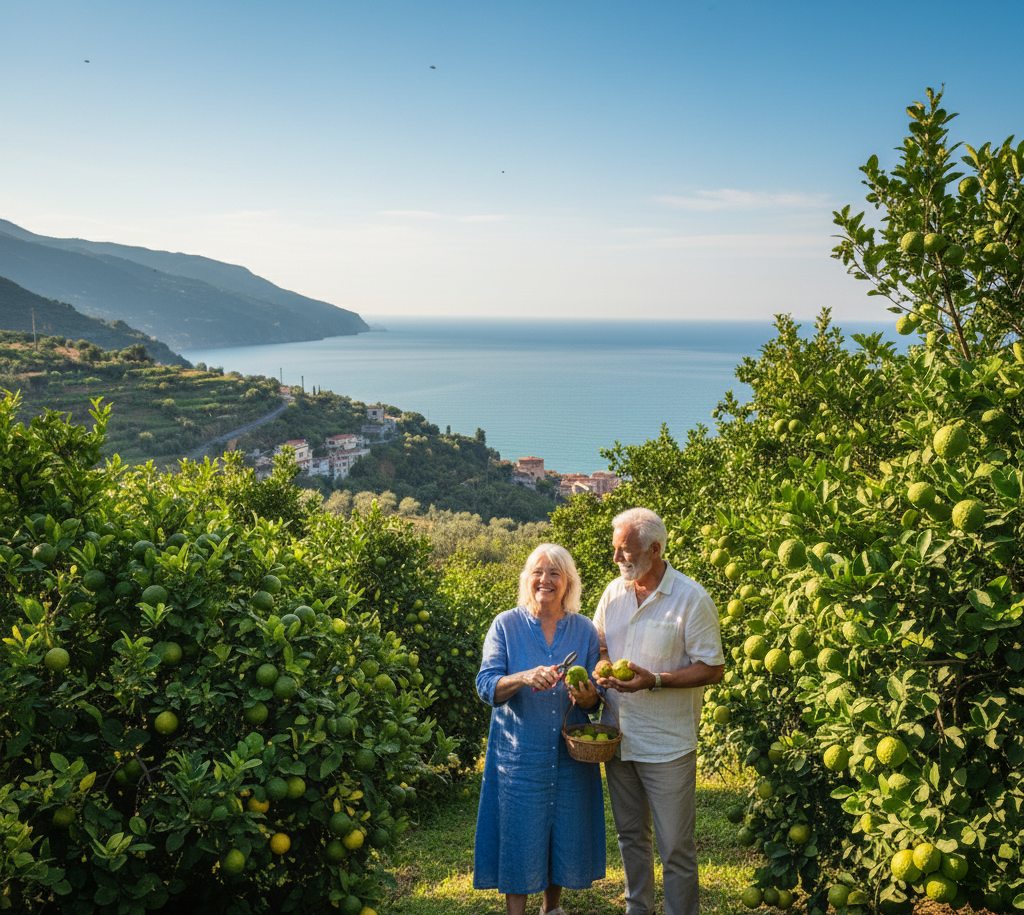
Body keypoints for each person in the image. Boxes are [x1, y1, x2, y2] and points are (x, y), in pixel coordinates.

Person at [593, 508, 725, 915]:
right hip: (618, 737)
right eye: (615, 550)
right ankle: (639, 909)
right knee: (631, 837)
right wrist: (600, 665)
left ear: (654, 549)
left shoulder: (691, 598)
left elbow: (713, 668)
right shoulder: (613, 593)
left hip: (667, 744)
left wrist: (656, 680)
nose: (617, 559)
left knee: (675, 848)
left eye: (625, 551)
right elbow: (599, 646)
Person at [475, 543, 606, 915]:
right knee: (519, 836)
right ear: (527, 579)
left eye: (555, 573)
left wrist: (585, 698)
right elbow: (486, 685)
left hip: (570, 755)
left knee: (561, 831)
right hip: (519, 755)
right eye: (538, 572)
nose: (545, 580)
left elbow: (595, 701)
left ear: (568, 583)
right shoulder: (505, 624)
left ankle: (552, 910)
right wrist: (522, 676)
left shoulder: (583, 630)